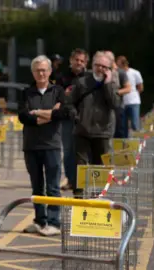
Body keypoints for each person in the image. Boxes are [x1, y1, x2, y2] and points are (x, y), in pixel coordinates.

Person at [18, 55, 74, 236]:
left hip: (52, 145)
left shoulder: (58, 91)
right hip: (31, 145)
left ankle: (54, 222)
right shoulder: (26, 92)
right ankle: (39, 220)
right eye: (37, 70)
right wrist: (49, 115)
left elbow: (65, 113)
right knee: (36, 186)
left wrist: (39, 113)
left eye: (44, 70)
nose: (41, 73)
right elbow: (23, 116)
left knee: (53, 186)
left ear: (50, 72)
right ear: (33, 72)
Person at [71, 51, 120, 173]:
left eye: (104, 67)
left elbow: (115, 104)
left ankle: (97, 192)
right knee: (80, 164)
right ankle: (80, 192)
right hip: (82, 129)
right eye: (98, 65)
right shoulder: (81, 82)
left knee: (99, 166)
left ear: (109, 69)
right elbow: (70, 102)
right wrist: (76, 117)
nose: (100, 69)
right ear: (93, 65)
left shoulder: (112, 84)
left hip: (102, 131)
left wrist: (107, 84)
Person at [56, 48, 88, 194]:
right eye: (77, 60)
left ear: (86, 63)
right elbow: (56, 96)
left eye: (82, 61)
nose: (79, 63)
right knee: (68, 151)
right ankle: (70, 179)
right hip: (67, 119)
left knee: (82, 152)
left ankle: (81, 182)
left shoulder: (89, 78)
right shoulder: (62, 78)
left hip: (84, 119)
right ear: (71, 61)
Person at [104, 51, 130, 139]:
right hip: (105, 107)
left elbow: (128, 88)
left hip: (118, 107)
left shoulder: (121, 72)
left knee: (119, 133)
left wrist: (116, 92)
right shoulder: (103, 72)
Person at [116, 55, 143, 137]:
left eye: (119, 64)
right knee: (123, 126)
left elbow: (140, 87)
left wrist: (133, 94)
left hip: (134, 102)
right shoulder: (117, 74)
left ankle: (137, 143)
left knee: (135, 124)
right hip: (122, 103)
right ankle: (125, 145)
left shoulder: (135, 73)